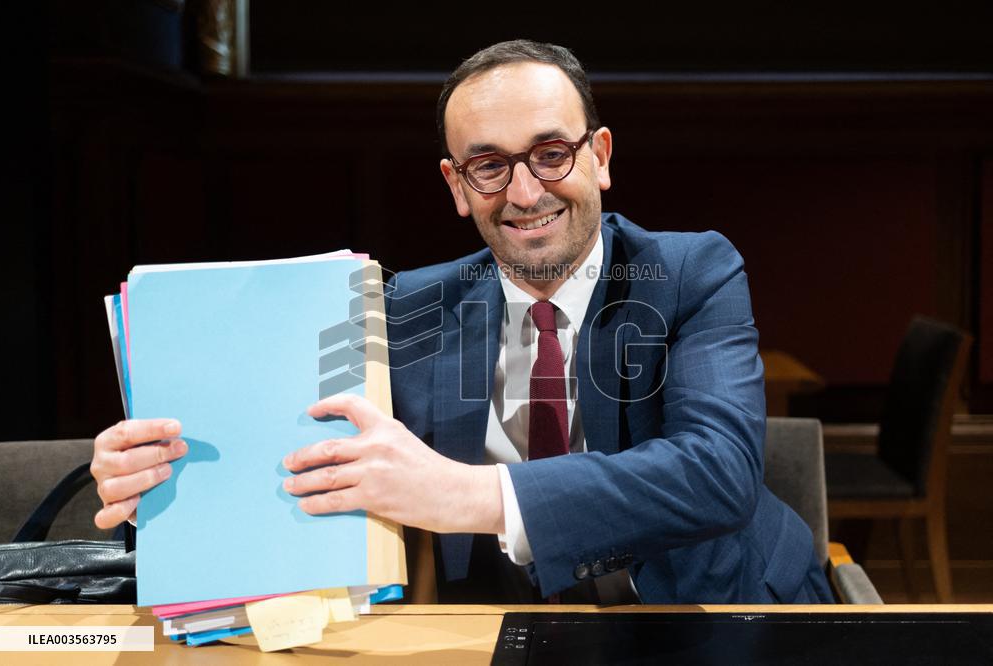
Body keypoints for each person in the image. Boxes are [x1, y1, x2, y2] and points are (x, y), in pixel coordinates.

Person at [90, 40, 832, 604]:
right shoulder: (408, 304)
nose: (524, 191)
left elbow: (717, 475)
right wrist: (159, 484)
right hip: (502, 629)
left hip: (719, 610)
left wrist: (467, 496)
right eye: (488, 165)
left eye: (551, 154)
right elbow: (280, 461)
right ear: (455, 185)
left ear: (599, 156)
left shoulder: (690, 272)